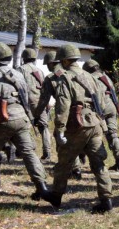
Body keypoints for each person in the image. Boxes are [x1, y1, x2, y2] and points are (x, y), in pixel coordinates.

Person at [39, 44, 113, 214]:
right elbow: (102, 103)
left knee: (64, 162)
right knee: (99, 163)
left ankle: (56, 196)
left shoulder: (65, 78)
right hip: (94, 123)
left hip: (77, 124)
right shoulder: (90, 77)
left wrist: (60, 129)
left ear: (65, 60)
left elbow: (63, 106)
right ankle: (106, 199)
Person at [0, 42, 49, 199]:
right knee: (29, 153)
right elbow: (26, 98)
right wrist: (30, 117)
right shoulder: (18, 74)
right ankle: (41, 186)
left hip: (2, 119)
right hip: (21, 118)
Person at [33, 50, 82, 179]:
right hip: (82, 112)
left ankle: (69, 168)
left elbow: (43, 101)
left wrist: (36, 115)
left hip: (65, 112)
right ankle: (76, 168)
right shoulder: (73, 73)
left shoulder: (52, 78)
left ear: (51, 63)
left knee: (61, 139)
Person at [83, 59, 119, 172]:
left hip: (99, 108)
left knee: (96, 135)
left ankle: (98, 161)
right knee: (113, 134)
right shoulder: (106, 77)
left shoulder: (90, 78)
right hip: (111, 107)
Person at [19, 48, 52, 161]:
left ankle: (29, 149)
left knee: (25, 126)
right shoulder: (40, 71)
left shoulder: (20, 70)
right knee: (44, 127)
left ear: (23, 58)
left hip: (27, 102)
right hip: (41, 101)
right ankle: (47, 152)